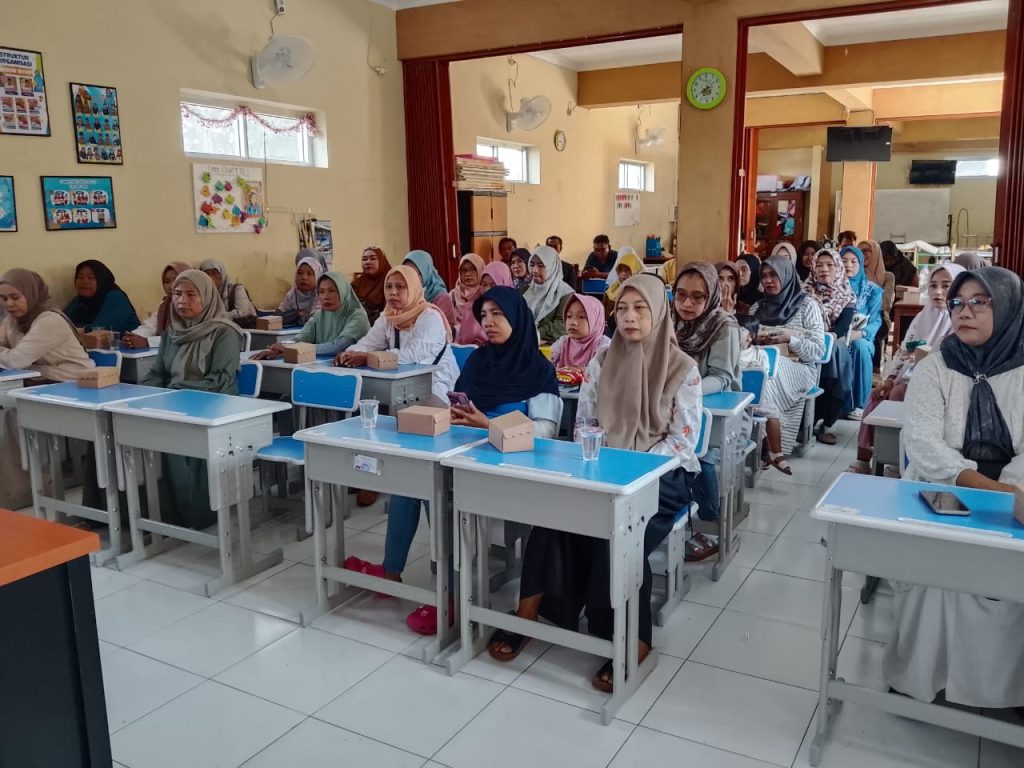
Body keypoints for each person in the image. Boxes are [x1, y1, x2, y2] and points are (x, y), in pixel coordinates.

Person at [488, 274, 702, 692]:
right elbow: (585, 424)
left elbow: (682, 442)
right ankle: (528, 613)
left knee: (621, 530)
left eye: (640, 308)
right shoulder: (602, 362)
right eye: (622, 308)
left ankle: (632, 636)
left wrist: (631, 466)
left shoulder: (683, 369)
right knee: (553, 515)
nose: (629, 317)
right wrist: (605, 460)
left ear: (659, 313)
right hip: (602, 467)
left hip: (660, 477)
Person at [344, 286, 545, 636]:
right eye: (483, 316)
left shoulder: (539, 369)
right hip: (464, 451)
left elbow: (544, 432)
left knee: (440, 493)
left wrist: (488, 424)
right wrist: (449, 415)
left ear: (517, 317)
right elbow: (459, 403)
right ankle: (392, 572)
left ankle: (454, 595)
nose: (488, 322)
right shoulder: (480, 361)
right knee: (411, 481)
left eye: (497, 314)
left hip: (510, 464)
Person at [884, 266, 1024, 709]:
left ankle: (1005, 689)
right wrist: (992, 492)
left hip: (1016, 494)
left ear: (1008, 308)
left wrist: (1011, 490)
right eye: (958, 303)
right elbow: (922, 443)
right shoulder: (936, 366)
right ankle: (921, 677)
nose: (964, 312)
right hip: (939, 488)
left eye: (979, 302)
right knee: (934, 574)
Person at [142, 270, 244, 529]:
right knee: (128, 430)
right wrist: (145, 394)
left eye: (190, 295)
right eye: (177, 294)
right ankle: (138, 512)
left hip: (213, 406)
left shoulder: (225, 333)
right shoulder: (171, 333)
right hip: (176, 404)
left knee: (168, 437)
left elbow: (220, 380)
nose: (181, 301)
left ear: (207, 297)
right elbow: (157, 373)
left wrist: (174, 391)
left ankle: (186, 515)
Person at [849, 262, 965, 473]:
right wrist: (889, 379)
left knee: (900, 393)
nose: (938, 292)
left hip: (942, 386)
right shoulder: (924, 316)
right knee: (878, 395)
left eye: (946, 286)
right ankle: (864, 460)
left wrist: (923, 361)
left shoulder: (962, 320)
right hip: (911, 375)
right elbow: (904, 351)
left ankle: (898, 461)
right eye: (933, 285)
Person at [336, 265, 459, 404]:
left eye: (400, 287)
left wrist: (368, 358)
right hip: (401, 380)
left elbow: (413, 355)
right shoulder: (389, 316)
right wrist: (349, 354)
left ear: (413, 288)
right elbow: (369, 343)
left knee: (418, 411)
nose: (393, 292)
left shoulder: (430, 317)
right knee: (359, 396)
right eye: (388, 287)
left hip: (435, 380)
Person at [750, 256, 826, 475]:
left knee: (764, 376)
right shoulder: (757, 307)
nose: (768, 280)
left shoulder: (807, 305)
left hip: (801, 367)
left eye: (774, 275)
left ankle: (765, 444)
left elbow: (818, 351)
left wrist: (790, 339)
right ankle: (763, 443)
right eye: (764, 276)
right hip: (764, 363)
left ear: (786, 275)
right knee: (758, 373)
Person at [0, 269, 94, 381]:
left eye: (15, 297)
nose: (9, 304)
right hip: (40, 380)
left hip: (72, 382)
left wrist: (10, 356)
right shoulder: (12, 319)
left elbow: (15, 361)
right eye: (4, 298)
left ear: (31, 294)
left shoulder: (49, 320)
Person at [803, 249, 856, 444]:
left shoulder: (847, 295)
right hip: (806, 338)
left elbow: (843, 326)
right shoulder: (803, 292)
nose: (824, 269)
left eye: (829, 265)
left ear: (838, 268)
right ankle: (801, 423)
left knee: (832, 354)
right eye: (819, 265)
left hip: (833, 341)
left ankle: (824, 423)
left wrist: (827, 337)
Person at [253, 272, 370, 360]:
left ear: (343, 291)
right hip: (323, 367)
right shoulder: (319, 315)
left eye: (332, 291)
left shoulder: (357, 316)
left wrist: (294, 348)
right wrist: (278, 349)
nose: (325, 297)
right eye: (321, 292)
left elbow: (338, 346)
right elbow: (301, 338)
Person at [673, 263, 740, 395]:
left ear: (711, 296)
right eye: (681, 294)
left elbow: (720, 377)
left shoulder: (723, 325)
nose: (687, 303)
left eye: (697, 296)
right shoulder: (669, 320)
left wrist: (681, 391)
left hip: (714, 402)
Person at [841, 245, 883, 415]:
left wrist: (859, 334)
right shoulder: (832, 288)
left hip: (863, 337)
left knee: (860, 346)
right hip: (837, 335)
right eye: (844, 261)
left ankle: (860, 404)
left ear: (860, 264)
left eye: (853, 261)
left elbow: (876, 320)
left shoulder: (873, 291)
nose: (848, 265)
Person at [122, 261, 191, 349]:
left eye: (176, 280)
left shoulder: (194, 306)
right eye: (167, 281)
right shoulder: (165, 305)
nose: (171, 286)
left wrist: (147, 342)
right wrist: (131, 336)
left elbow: (183, 337)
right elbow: (151, 326)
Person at [63, 259, 140, 333]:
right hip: (92, 342)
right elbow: (62, 320)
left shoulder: (115, 297)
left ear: (101, 280)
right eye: (80, 277)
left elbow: (99, 329)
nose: (84, 282)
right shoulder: (80, 300)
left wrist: (73, 331)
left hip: (128, 341)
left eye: (90, 277)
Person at [523, 245, 574, 343]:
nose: (534, 270)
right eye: (532, 265)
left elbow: (563, 325)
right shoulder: (526, 291)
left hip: (552, 346)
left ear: (552, 267)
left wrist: (536, 333)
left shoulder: (565, 294)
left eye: (541, 266)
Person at [455, 261, 513, 345]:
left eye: (493, 285)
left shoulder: (514, 309)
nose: (487, 290)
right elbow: (459, 341)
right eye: (484, 285)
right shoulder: (472, 308)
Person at [549, 293, 609, 371]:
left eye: (581, 317)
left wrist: (579, 371)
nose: (573, 322)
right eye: (569, 316)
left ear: (596, 320)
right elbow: (545, 362)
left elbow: (603, 371)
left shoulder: (604, 345)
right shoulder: (563, 342)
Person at [402, 250, 458, 329]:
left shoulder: (442, 298)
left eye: (413, 274)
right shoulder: (405, 294)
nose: (408, 278)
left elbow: (435, 328)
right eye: (406, 273)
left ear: (425, 272)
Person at [199, 259, 257, 325]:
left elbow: (243, 313)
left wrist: (218, 317)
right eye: (206, 274)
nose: (210, 277)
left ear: (222, 274)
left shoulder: (237, 289)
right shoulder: (205, 293)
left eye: (214, 273)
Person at [277, 250, 323, 325]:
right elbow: (277, 316)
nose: (304, 277)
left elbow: (316, 319)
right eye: (299, 273)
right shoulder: (292, 294)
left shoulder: (321, 293)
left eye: (309, 274)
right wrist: (298, 313)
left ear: (317, 276)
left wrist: (293, 316)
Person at [351, 246, 391, 325]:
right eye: (364, 259)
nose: (368, 262)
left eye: (373, 258)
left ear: (381, 261)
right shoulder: (356, 284)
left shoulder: (390, 283)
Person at [448, 253, 485, 332]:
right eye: (463, 270)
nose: (467, 274)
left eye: (472, 269)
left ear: (480, 270)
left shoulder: (484, 294)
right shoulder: (453, 295)